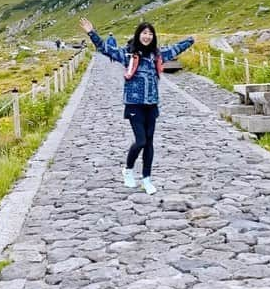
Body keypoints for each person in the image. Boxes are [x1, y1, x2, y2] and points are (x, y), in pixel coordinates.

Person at [79, 17, 194, 195]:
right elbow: (105, 49)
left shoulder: (157, 55)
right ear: (138, 35)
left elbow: (175, 49)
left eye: (150, 33)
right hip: (134, 104)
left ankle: (147, 179)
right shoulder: (129, 54)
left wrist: (190, 40)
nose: (147, 36)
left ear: (153, 37)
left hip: (152, 104)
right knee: (141, 140)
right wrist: (91, 33)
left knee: (149, 143)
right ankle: (128, 169)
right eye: (144, 33)